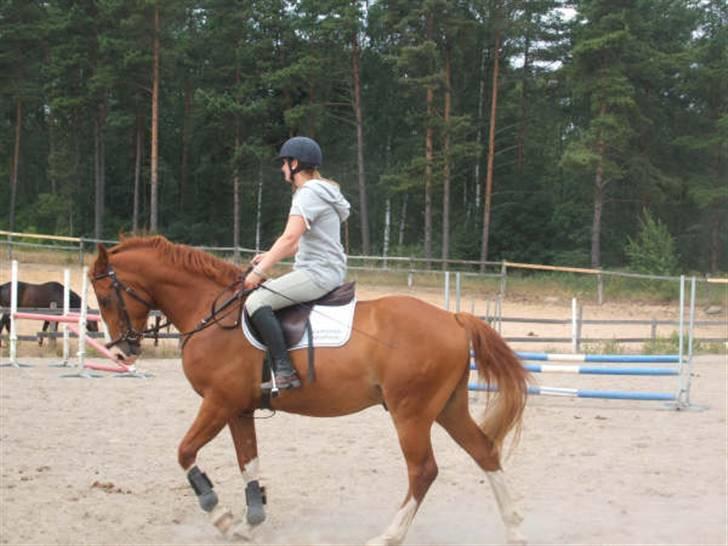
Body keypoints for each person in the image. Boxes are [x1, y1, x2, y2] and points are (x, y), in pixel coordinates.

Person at [244, 136, 351, 390]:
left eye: (284, 163)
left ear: (295, 164)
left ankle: (284, 369)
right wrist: (268, 254)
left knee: (256, 301)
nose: (282, 168)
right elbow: (296, 243)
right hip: (328, 270)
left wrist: (258, 272)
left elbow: (290, 237)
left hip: (317, 273)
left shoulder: (307, 194)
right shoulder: (322, 191)